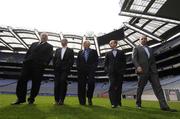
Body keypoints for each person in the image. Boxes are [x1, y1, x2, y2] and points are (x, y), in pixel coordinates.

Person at [132, 35, 177, 112]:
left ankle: (164, 106)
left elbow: (152, 60)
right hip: (142, 71)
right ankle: (138, 103)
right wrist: (138, 67)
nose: (143, 40)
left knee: (158, 88)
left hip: (153, 71)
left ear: (147, 40)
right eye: (142, 39)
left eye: (145, 39)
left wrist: (155, 69)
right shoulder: (136, 48)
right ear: (139, 40)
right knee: (140, 88)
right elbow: (134, 58)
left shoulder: (150, 49)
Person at [12, 32, 53, 105]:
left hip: (38, 67)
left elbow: (49, 56)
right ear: (40, 37)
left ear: (47, 38)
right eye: (42, 36)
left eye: (45, 36)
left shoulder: (49, 46)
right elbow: (28, 53)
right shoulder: (34, 44)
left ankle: (31, 99)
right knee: (21, 80)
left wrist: (43, 64)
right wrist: (25, 61)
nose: (43, 37)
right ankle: (20, 99)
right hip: (27, 65)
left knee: (36, 83)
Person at [104, 40, 126, 108]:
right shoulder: (107, 53)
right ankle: (113, 103)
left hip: (119, 73)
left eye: (112, 43)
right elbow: (105, 64)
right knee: (111, 87)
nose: (111, 44)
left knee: (119, 88)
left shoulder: (121, 52)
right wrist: (108, 71)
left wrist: (122, 71)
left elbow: (124, 62)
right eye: (110, 43)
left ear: (116, 44)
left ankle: (119, 103)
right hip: (111, 73)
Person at [53, 39, 74, 105]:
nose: (63, 42)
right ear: (61, 42)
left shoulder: (70, 50)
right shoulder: (57, 50)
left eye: (64, 41)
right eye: (62, 41)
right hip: (57, 69)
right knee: (56, 84)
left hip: (65, 69)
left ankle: (61, 100)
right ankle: (56, 100)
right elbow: (55, 59)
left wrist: (68, 67)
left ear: (67, 42)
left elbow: (72, 60)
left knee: (62, 82)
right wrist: (55, 66)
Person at [76, 40, 98, 105]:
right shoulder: (80, 52)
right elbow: (78, 62)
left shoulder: (93, 51)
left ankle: (89, 98)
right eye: (84, 44)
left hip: (91, 71)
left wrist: (93, 68)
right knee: (81, 86)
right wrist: (79, 68)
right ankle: (82, 100)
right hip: (81, 72)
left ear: (89, 45)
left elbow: (96, 61)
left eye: (86, 43)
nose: (85, 44)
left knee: (91, 84)